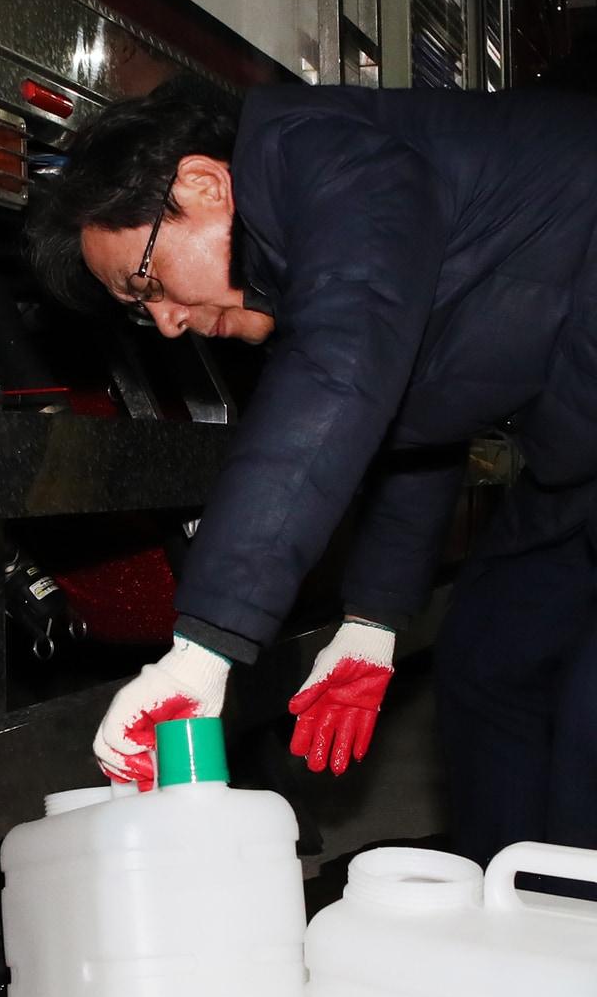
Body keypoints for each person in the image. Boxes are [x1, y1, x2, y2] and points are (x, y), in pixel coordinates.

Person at [29, 71, 597, 868]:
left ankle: (574, 935)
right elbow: (415, 416)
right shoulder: (310, 242)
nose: (163, 323)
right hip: (580, 442)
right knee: (489, 660)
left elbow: (344, 367)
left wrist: (203, 649)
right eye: (139, 308)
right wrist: (372, 623)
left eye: (148, 280)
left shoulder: (321, 154)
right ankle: (516, 915)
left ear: (203, 184)